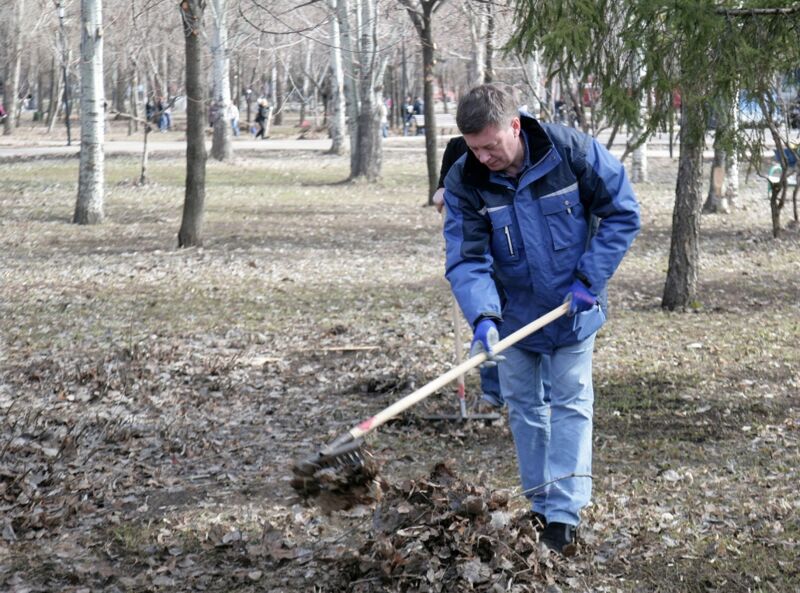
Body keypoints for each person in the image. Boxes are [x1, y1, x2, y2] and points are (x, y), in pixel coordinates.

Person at [442, 84, 640, 556]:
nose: (485, 156)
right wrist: (485, 318)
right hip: (512, 318)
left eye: (491, 145)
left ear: (514, 124)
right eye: (475, 148)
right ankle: (541, 503)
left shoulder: (570, 152)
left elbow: (622, 211)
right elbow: (468, 259)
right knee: (525, 408)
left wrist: (590, 279)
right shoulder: (465, 180)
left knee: (571, 402)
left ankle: (564, 517)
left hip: (573, 308)